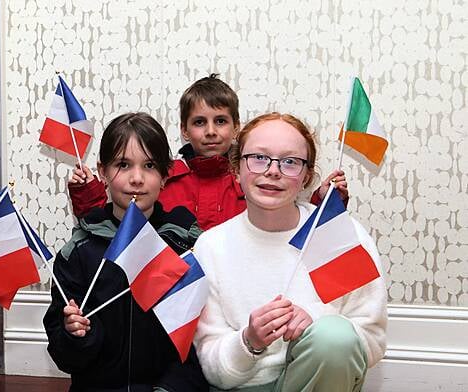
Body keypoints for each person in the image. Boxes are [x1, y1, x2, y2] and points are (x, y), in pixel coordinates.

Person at [192, 112, 387, 391]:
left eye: (290, 162)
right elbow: (212, 368)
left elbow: (371, 338)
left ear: (307, 176)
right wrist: (249, 341)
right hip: (244, 386)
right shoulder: (211, 247)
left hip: (323, 382)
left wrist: (315, 320)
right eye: (258, 158)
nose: (273, 171)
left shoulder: (341, 235)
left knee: (333, 337)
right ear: (236, 169)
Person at [43, 112, 209, 391]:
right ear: (103, 171)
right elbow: (64, 356)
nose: (136, 179)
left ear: (166, 173)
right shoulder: (80, 252)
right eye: (123, 164)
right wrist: (77, 335)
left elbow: (200, 345)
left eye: (149, 165)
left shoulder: (186, 245)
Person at [67, 74, 347, 230]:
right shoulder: (163, 176)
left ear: (236, 127)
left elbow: (287, 220)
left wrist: (323, 200)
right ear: (185, 130)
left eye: (221, 121)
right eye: (200, 122)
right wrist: (85, 190)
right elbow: (107, 226)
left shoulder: (253, 176)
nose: (211, 131)